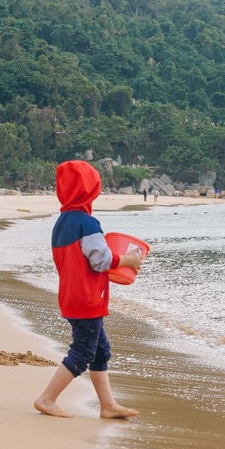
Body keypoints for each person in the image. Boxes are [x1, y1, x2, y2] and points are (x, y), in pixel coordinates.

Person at [34, 161, 145, 419]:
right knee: (83, 352)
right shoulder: (88, 223)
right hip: (87, 298)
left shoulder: (61, 223)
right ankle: (47, 399)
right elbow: (100, 261)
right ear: (90, 189)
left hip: (71, 296)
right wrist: (127, 260)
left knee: (100, 350)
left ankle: (108, 405)